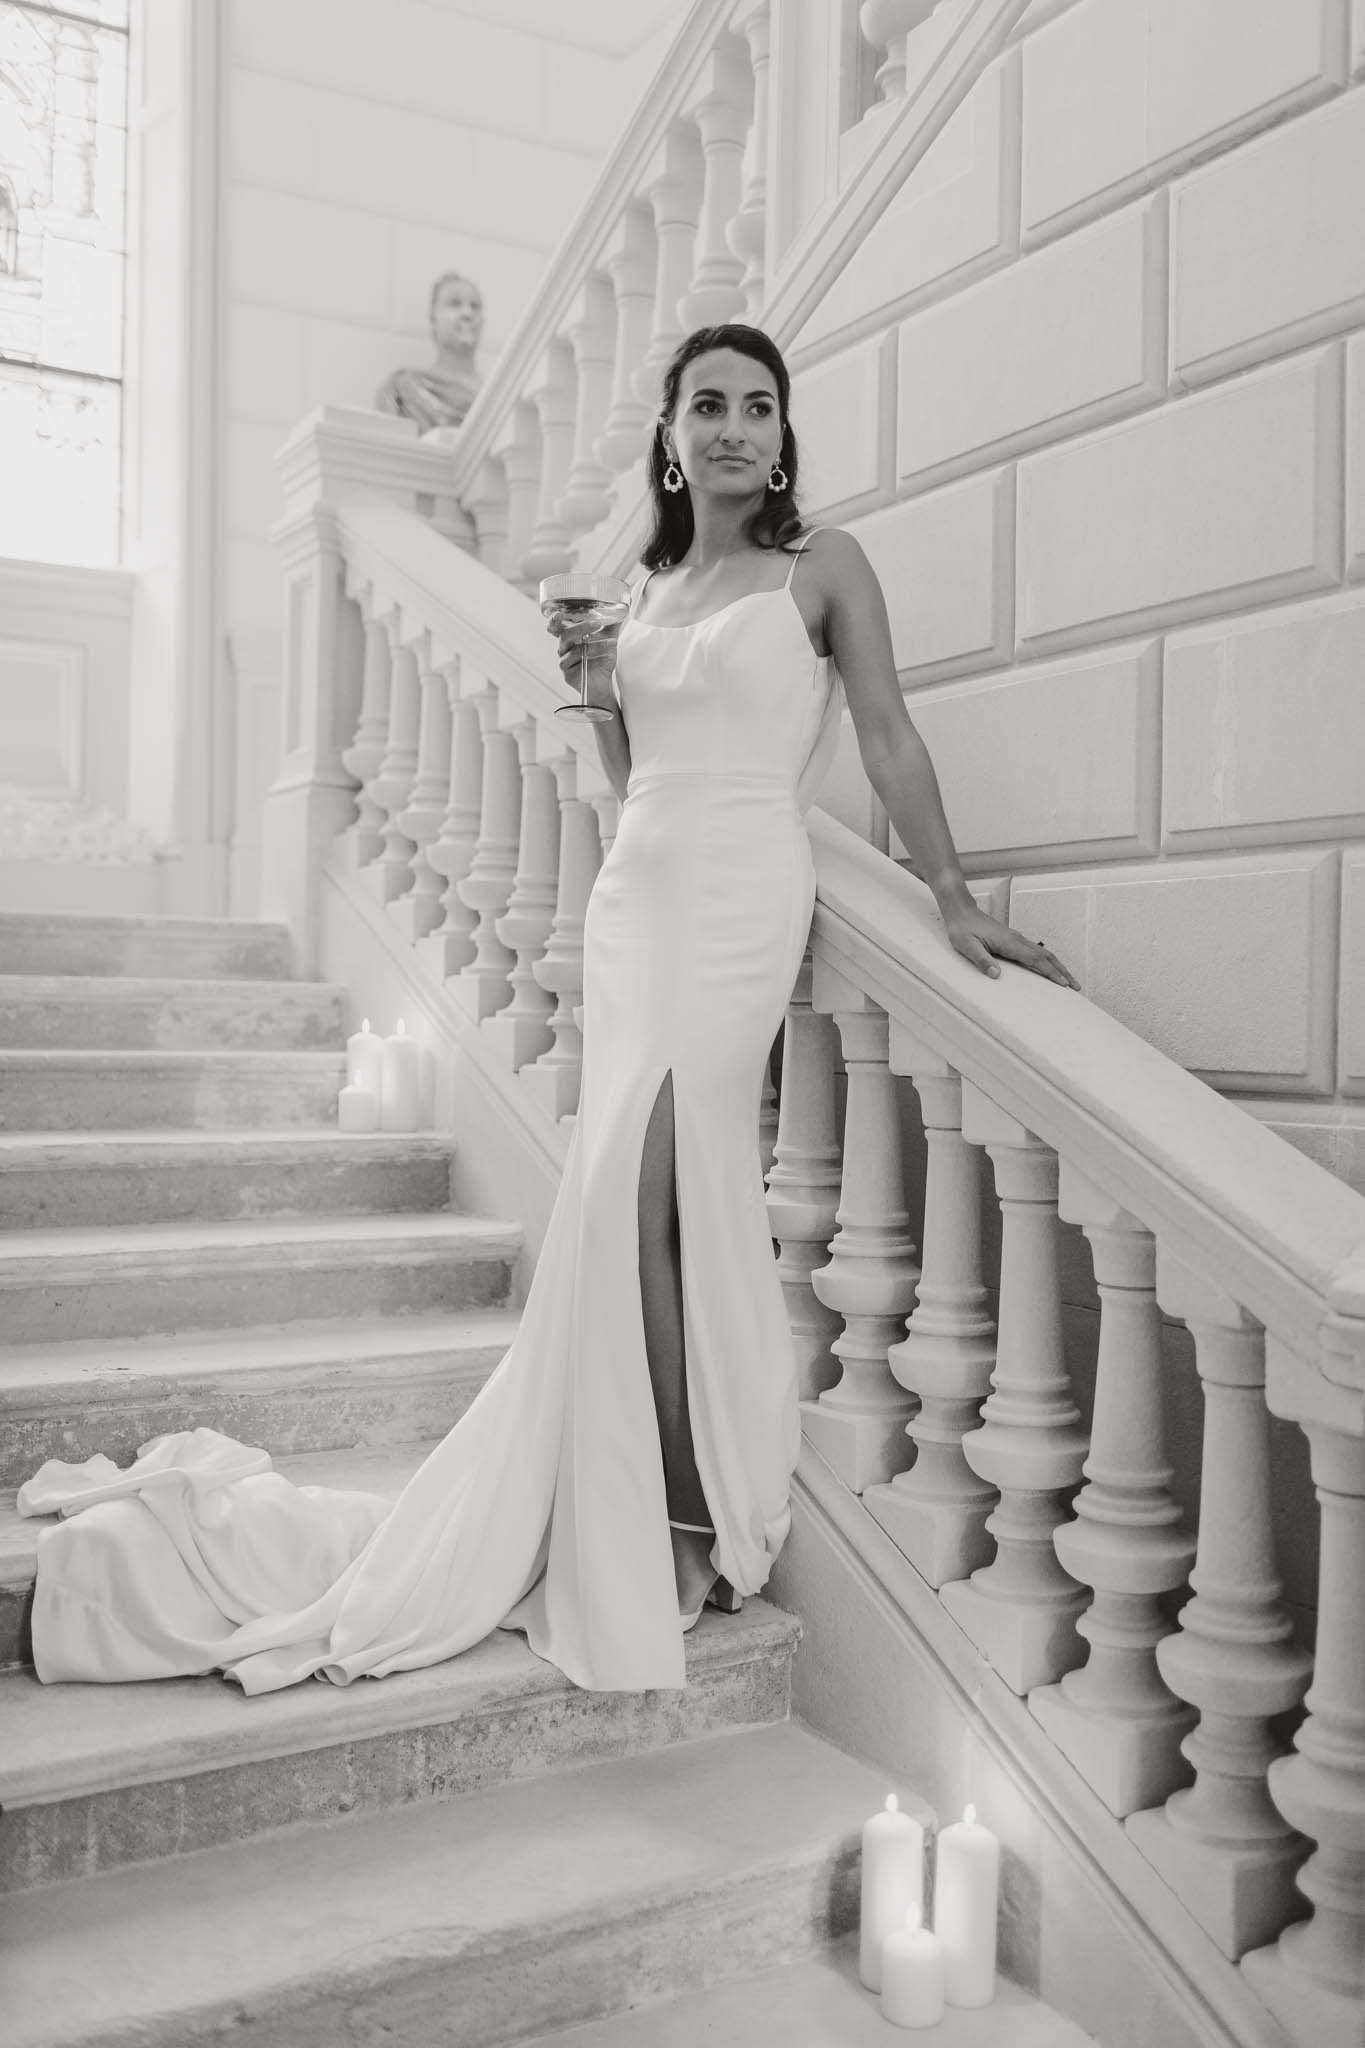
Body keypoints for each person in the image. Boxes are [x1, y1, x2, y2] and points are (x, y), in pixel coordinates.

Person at [18, 324, 1075, 1700]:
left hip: (746, 893)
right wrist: (592, 687)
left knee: (662, 1185)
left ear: (782, 434)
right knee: (632, 1199)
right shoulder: (644, 583)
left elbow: (882, 732)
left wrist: (949, 890)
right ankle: (657, 1496)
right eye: (711, 406)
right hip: (639, 896)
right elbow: (635, 772)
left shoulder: (825, 568)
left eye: (760, 408)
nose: (737, 430)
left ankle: (682, 1497)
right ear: (673, 433)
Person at [374, 272, 483, 432]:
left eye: (475, 306)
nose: (467, 313)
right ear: (433, 319)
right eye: (455, 303)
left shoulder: (499, 398)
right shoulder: (404, 390)